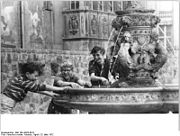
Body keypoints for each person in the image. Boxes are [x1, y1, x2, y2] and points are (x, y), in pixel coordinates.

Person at [1, 61, 68, 114]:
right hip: (6, 103)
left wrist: (50, 94)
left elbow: (35, 89)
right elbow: (40, 87)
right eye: (35, 76)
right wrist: (60, 89)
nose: (36, 78)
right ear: (27, 74)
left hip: (6, 102)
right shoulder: (24, 82)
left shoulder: (22, 78)